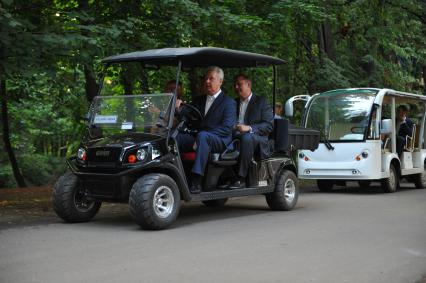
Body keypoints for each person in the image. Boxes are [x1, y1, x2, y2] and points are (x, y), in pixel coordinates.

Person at [176, 66, 236, 193]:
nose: (207, 81)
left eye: (211, 79)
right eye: (206, 79)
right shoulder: (199, 100)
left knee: (203, 136)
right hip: (199, 137)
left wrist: (200, 136)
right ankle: (173, 173)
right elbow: (187, 117)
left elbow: (226, 129)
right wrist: (178, 109)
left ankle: (196, 180)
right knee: (175, 137)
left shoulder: (229, 102)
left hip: (221, 140)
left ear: (220, 81)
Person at [229, 74, 273, 189]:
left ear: (248, 84)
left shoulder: (261, 102)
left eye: (239, 84)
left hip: (256, 137)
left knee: (246, 137)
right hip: (235, 134)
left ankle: (241, 177)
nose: (236, 87)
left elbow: (268, 125)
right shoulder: (233, 103)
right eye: (235, 85)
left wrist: (249, 128)